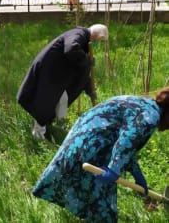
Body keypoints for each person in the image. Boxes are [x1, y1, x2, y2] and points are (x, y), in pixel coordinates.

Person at [32, 87, 169, 222]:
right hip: (91, 146)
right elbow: (126, 141)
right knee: (101, 206)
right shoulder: (150, 117)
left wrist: (136, 174)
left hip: (82, 138)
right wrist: (114, 170)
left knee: (88, 193)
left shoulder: (146, 105)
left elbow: (127, 145)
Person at [16, 24, 108, 141]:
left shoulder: (84, 41)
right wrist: (87, 61)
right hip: (48, 72)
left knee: (62, 98)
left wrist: (90, 88)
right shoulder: (79, 34)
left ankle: (59, 127)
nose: (97, 44)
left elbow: (81, 71)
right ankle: (38, 136)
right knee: (44, 104)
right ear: (95, 36)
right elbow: (71, 49)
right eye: (99, 41)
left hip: (55, 75)